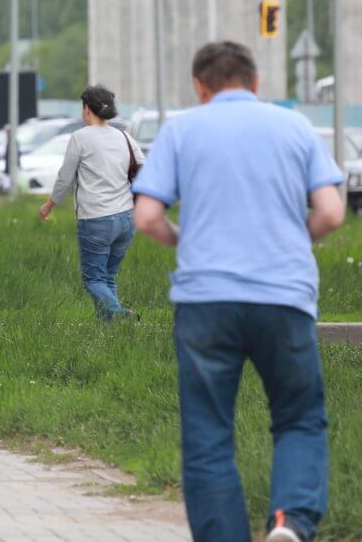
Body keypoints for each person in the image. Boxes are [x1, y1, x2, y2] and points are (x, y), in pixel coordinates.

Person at [133, 41, 345, 542]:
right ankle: (290, 522)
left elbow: (146, 216)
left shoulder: (182, 129)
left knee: (208, 435)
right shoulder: (293, 126)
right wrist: (295, 240)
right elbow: (333, 212)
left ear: (200, 87)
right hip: (284, 297)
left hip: (205, 301)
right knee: (298, 418)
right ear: (256, 83)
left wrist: (187, 243)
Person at [39, 85, 144, 321]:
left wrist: (50, 204)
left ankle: (119, 314)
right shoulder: (124, 136)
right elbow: (144, 165)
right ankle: (110, 332)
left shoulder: (80, 137)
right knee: (108, 277)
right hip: (127, 218)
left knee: (93, 279)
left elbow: (65, 177)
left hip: (96, 219)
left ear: (87, 109)